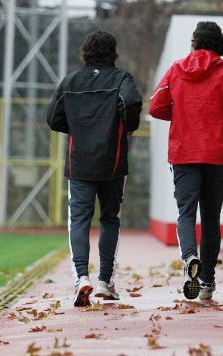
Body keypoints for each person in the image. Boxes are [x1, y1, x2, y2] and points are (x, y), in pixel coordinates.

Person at [149, 21, 223, 300]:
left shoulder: (176, 70)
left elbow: (155, 106)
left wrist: (182, 115)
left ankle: (189, 257)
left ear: (193, 43)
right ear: (220, 44)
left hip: (184, 153)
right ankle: (206, 281)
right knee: (211, 218)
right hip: (217, 154)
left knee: (185, 212)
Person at [47, 31, 142, 307]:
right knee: (110, 218)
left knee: (78, 220)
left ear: (84, 52)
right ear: (113, 53)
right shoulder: (122, 78)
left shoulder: (70, 82)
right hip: (113, 162)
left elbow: (53, 118)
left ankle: (80, 277)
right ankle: (105, 282)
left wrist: (77, 127)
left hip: (79, 163)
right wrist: (128, 126)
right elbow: (132, 102)